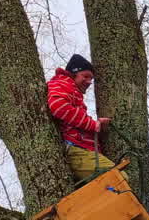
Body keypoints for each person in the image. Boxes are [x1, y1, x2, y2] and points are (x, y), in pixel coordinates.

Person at [47, 53, 117, 181]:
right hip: (77, 150)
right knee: (118, 179)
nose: (89, 82)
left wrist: (95, 123)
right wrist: (91, 124)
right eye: (85, 76)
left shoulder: (72, 90)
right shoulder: (62, 83)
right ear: (73, 73)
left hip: (82, 150)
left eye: (91, 79)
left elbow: (73, 117)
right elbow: (58, 106)